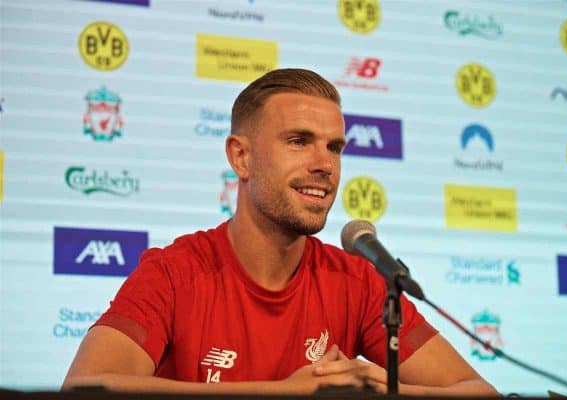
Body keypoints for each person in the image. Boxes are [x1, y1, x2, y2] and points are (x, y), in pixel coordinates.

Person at [62, 68, 498, 396]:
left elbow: (479, 392)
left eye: (334, 147)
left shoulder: (358, 280)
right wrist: (286, 392)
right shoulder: (176, 272)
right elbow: (86, 388)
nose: (324, 164)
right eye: (298, 141)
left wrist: (378, 386)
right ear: (241, 158)